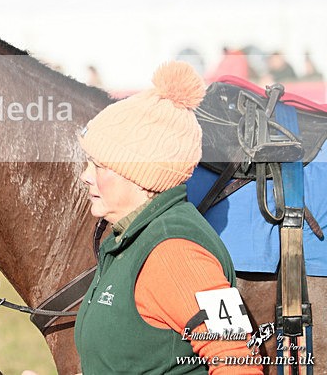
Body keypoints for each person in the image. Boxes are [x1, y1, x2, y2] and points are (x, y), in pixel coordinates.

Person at [74, 62, 261, 374]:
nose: (85, 176)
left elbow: (239, 363)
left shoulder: (178, 254)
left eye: (99, 165)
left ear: (140, 174)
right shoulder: (127, 240)